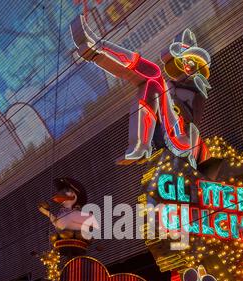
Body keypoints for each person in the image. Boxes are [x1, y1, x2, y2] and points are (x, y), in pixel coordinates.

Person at [70, 15, 211, 167]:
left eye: (190, 62)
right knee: (153, 83)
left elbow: (192, 120)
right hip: (168, 128)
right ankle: (97, 49)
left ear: (199, 65)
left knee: (155, 73)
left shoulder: (198, 89)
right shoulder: (171, 85)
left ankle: (98, 48)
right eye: (183, 61)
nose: (187, 65)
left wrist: (173, 100)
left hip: (181, 137)